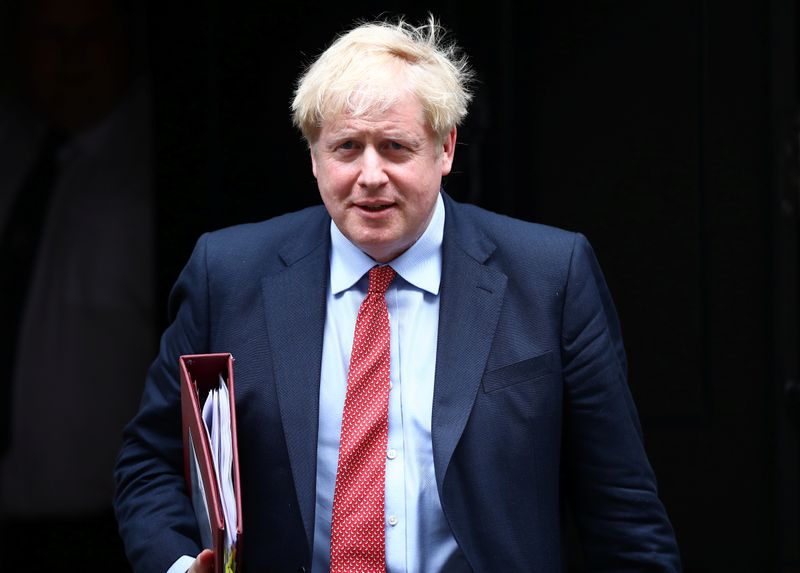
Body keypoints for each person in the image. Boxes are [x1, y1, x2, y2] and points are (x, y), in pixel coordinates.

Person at [114, 17, 681, 572]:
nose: (370, 174)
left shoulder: (550, 277)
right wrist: (183, 564)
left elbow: (621, 510)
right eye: (346, 147)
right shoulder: (228, 274)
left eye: (394, 147)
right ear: (313, 156)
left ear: (446, 148)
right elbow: (151, 461)